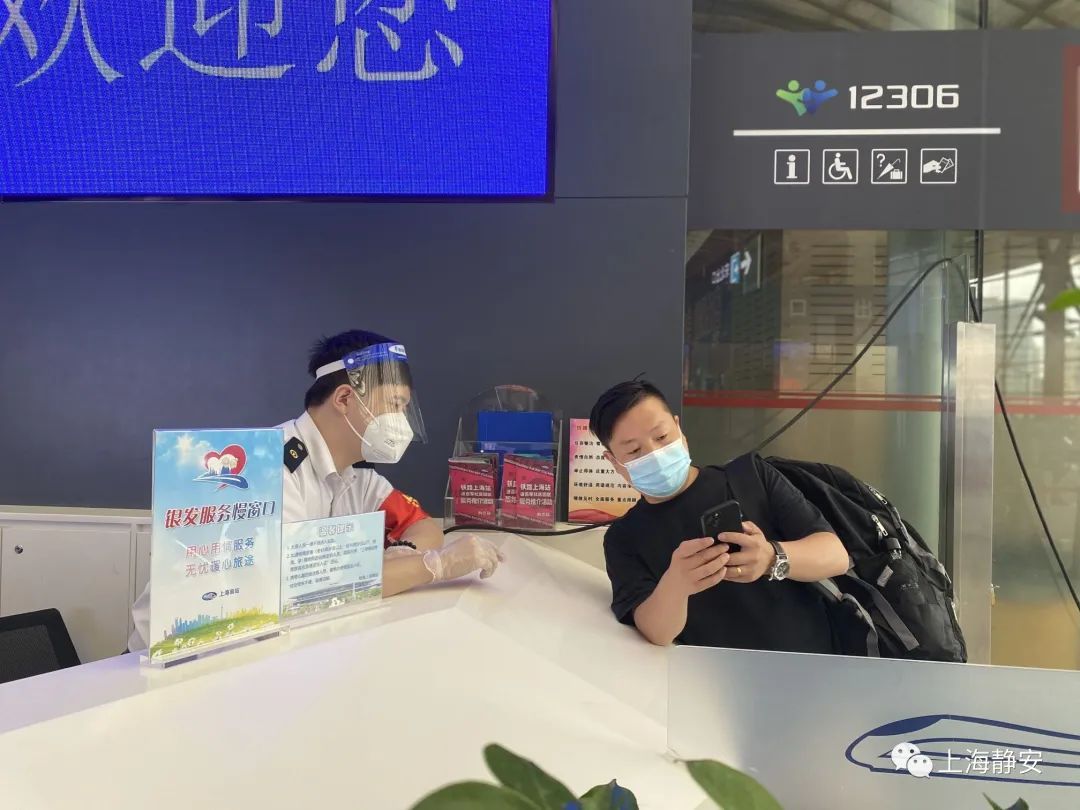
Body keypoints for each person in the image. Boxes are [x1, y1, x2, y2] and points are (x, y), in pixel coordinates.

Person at [128, 330, 503, 652]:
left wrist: (401, 555)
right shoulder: (267, 467)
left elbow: (423, 527)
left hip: (260, 648)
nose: (401, 422)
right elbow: (302, 590)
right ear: (344, 399)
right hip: (169, 660)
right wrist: (432, 566)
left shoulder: (356, 476)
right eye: (394, 405)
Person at [588, 379, 849, 652]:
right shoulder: (624, 539)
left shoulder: (750, 477)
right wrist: (676, 585)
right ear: (614, 462)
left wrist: (772, 557)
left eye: (662, 436)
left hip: (819, 661)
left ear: (678, 428)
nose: (655, 454)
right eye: (634, 451)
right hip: (713, 675)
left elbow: (836, 556)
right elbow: (656, 632)